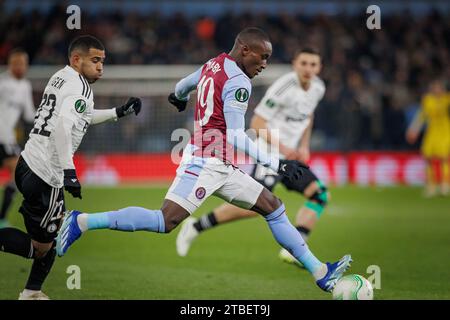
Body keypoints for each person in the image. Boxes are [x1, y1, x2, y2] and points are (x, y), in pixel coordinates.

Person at [56, 27, 351, 293]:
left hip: (221, 164)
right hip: (205, 163)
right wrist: (277, 163)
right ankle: (82, 222)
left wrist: (178, 96)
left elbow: (185, 83)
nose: (264, 65)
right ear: (245, 50)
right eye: (263, 57)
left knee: (272, 206)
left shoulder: (214, 63)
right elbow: (236, 135)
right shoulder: (240, 82)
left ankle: (320, 272)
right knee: (165, 221)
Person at [0, 35, 142, 300]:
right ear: (76, 60)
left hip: (27, 162)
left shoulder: (61, 77)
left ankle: (32, 291)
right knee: (44, 248)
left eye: (103, 61)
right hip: (47, 174)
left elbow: (80, 116)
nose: (101, 66)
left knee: (48, 240)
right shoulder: (81, 88)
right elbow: (63, 129)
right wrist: (69, 172)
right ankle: (30, 293)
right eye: (95, 60)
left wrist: (117, 112)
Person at [176, 47, 328, 266]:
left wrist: (304, 146)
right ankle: (196, 226)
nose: (308, 69)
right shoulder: (283, 87)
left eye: (313, 65)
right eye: (304, 63)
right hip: (269, 155)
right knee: (256, 208)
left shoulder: (318, 88)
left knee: (320, 195)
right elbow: (256, 124)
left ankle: (296, 248)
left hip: (291, 158)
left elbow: (308, 115)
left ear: (319, 67)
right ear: (295, 64)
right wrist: (285, 151)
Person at [0, 49, 36, 228]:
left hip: (7, 139)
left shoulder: (25, 86)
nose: (21, 67)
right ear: (10, 64)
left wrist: (48, 116)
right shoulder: (2, 83)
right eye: (17, 63)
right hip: (3, 138)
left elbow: (29, 115)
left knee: (17, 174)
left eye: (24, 63)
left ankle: (2, 217)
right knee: (17, 173)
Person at [406, 79, 450, 197]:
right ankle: (431, 185)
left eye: (438, 87)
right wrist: (413, 130)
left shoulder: (447, 99)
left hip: (445, 132)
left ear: (443, 88)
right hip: (431, 132)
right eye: (434, 87)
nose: (436, 89)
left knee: (444, 159)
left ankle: (445, 185)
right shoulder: (428, 100)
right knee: (428, 158)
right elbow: (421, 116)